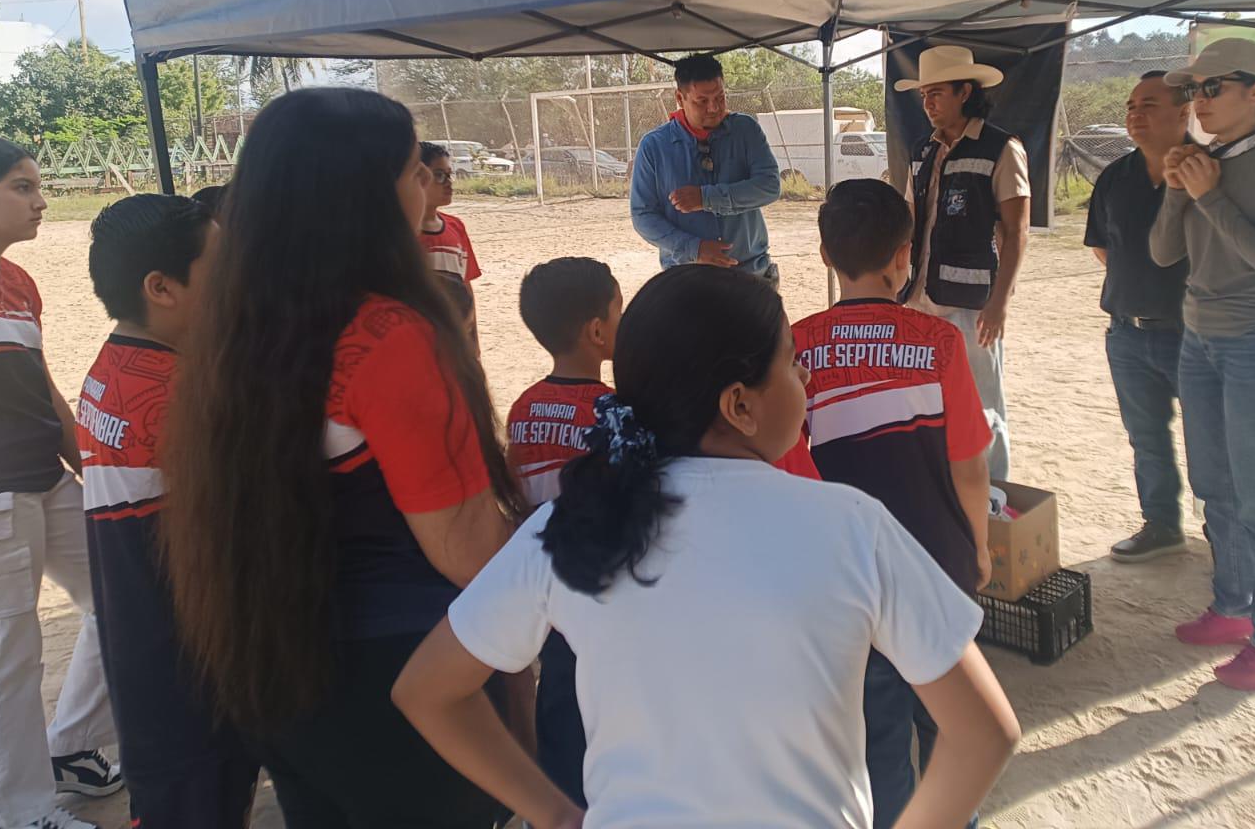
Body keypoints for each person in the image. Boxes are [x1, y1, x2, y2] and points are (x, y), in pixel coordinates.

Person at [392, 265, 1021, 829]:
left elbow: (426, 690)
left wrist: (554, 813)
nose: (805, 376)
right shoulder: (851, 525)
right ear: (740, 404)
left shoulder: (571, 524)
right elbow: (984, 733)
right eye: (791, 361)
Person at [159, 88, 526, 827]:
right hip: (409, 679)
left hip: (275, 667)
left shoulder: (229, 331)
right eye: (413, 170)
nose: (427, 184)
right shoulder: (390, 334)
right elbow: (467, 551)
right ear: (361, 195)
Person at [793, 179, 993, 829]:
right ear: (905, 255)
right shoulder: (938, 343)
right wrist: (979, 547)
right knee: (952, 728)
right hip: (937, 565)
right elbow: (968, 464)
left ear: (825, 256)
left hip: (844, 579)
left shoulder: (792, 350)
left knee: (875, 736)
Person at [0, 135, 122, 829]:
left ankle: (72, 745)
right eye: (22, 187)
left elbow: (41, 384)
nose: (41, 201)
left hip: (44, 482)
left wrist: (87, 464)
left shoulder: (18, 284)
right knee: (3, 658)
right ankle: (15, 817)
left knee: (128, 591)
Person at [77, 194, 261, 828]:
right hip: (190, 662)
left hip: (146, 649)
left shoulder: (111, 365)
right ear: (161, 287)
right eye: (220, 265)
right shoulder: (178, 396)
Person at [1150, 38, 1255, 692]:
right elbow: (1165, 253)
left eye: (1212, 87)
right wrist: (1177, 190)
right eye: (1193, 90)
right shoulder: (1200, 161)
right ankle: (1234, 607)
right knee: (1216, 488)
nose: (1200, 102)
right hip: (1202, 341)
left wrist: (1211, 196)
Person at [505, 256, 622, 810]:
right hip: (604, 597)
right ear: (598, 332)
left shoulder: (524, 407)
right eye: (619, 312)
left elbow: (513, 493)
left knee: (561, 718)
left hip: (547, 597)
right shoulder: (614, 413)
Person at [898, 45, 1031, 481]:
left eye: (937, 92)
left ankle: (992, 494)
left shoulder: (1001, 148)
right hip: (920, 299)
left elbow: (1016, 232)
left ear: (965, 92)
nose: (928, 102)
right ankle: (944, 487)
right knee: (927, 399)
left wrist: (1000, 304)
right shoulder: (922, 150)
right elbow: (910, 221)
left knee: (982, 404)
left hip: (973, 304)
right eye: (923, 95)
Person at [1084, 72, 1193, 563]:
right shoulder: (1115, 177)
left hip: (1196, 336)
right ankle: (1162, 524)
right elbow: (1103, 247)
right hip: (1127, 334)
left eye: (1149, 104)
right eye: (1131, 105)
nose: (1135, 113)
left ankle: (1226, 534)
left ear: (1184, 113)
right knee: (1146, 435)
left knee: (1213, 439)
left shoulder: (1207, 171)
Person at [629, 53, 782, 283]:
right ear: (680, 98)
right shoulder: (654, 146)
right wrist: (694, 249)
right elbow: (643, 215)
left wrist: (707, 198)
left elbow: (770, 186)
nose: (714, 108)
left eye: (720, 97)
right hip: (686, 280)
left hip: (749, 276)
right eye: (702, 101)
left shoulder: (746, 131)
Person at [418, 142, 482, 349]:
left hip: (456, 339)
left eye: (449, 175)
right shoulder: (401, 235)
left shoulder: (456, 227)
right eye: (439, 175)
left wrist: (473, 342)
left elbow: (465, 287)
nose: (448, 183)